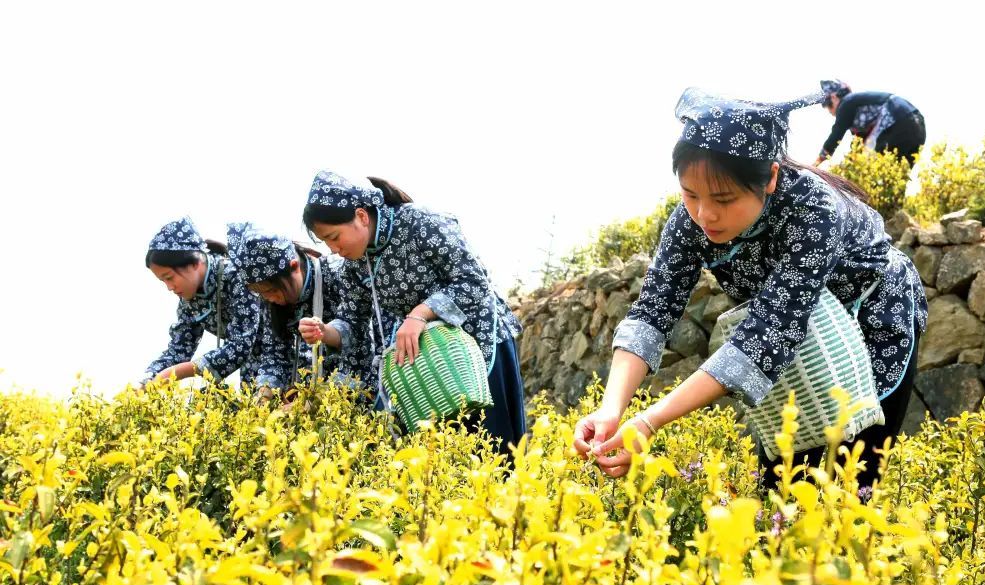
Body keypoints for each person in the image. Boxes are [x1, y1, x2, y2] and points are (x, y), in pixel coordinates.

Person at [574, 88, 928, 490]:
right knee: (782, 485)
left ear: (771, 177)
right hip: (794, 330)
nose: (705, 214)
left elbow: (769, 333)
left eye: (724, 198)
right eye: (690, 194)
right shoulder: (690, 221)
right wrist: (611, 409)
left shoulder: (814, 210)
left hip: (869, 320)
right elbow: (653, 310)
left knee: (846, 478)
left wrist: (649, 421)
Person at [303, 171, 526, 455]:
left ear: (361, 216)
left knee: (497, 450)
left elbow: (473, 282)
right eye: (326, 243)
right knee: (442, 459)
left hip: (477, 344)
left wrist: (419, 314)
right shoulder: (356, 265)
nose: (334, 250)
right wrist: (326, 332)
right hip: (427, 365)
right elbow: (353, 325)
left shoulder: (421, 222)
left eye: (335, 237)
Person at [226, 222, 371, 394]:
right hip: (311, 397)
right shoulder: (273, 302)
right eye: (262, 294)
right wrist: (264, 393)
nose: (270, 298)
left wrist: (315, 401)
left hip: (357, 391)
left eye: (273, 290)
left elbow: (360, 345)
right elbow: (275, 356)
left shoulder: (338, 274)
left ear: (294, 267)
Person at [141, 216, 262, 387]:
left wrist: (181, 371)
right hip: (253, 373)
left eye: (169, 278)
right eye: (163, 281)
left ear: (195, 263)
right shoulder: (189, 299)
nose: (169, 287)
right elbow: (179, 348)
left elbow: (241, 345)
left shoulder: (236, 276)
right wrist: (148, 379)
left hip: (284, 360)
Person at [815, 80, 926, 165]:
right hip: (917, 126)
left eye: (827, 105)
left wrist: (817, 162)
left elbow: (836, 135)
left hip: (897, 123)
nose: (829, 111)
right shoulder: (859, 113)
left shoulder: (846, 103)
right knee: (898, 173)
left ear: (833, 97)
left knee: (876, 167)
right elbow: (858, 146)